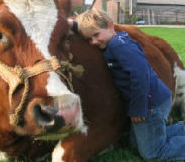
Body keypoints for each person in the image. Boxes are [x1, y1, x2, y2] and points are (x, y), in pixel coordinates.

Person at [68, 9, 185, 160]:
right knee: (136, 143)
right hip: (152, 99)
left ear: (111, 26)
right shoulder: (115, 39)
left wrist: (138, 109)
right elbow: (92, 27)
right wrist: (67, 22)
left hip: (151, 103)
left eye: (96, 35)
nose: (94, 42)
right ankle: (181, 128)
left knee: (153, 152)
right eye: (90, 39)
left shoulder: (119, 46)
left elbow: (140, 74)